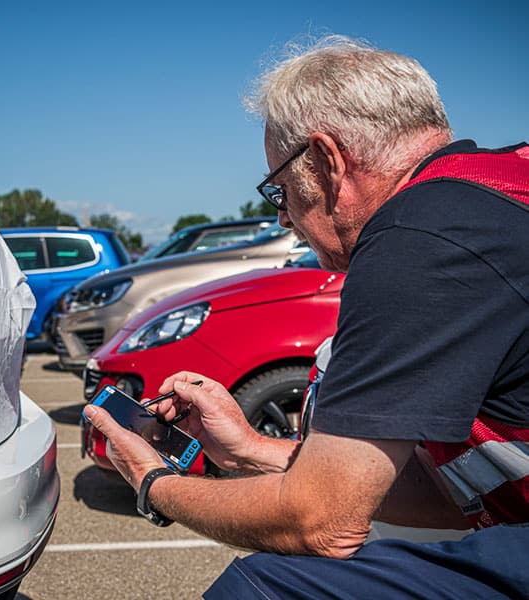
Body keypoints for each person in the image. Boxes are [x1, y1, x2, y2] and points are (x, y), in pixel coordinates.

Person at [82, 35, 529, 599]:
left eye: (280, 190)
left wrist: (153, 483)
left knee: (261, 588)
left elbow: (321, 522)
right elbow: (452, 495)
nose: (284, 220)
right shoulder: (496, 185)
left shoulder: (418, 237)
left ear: (325, 160)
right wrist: (249, 449)